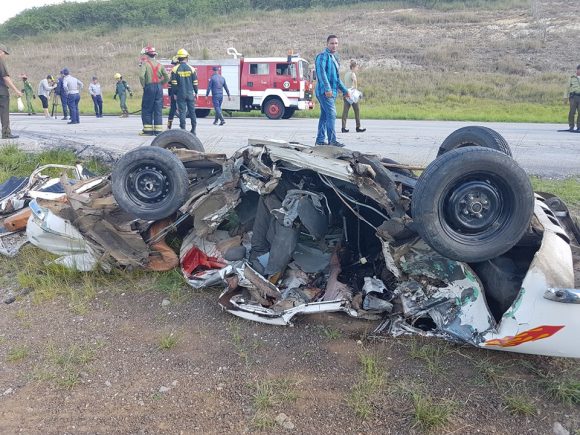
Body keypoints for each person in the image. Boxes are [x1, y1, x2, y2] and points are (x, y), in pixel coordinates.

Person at [314, 35, 350, 147]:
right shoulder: (322, 56)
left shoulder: (334, 58)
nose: (334, 45)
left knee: (324, 115)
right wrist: (327, 88)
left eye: (336, 43)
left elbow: (336, 78)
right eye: (332, 43)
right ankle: (332, 141)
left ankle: (320, 141)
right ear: (327, 44)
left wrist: (345, 90)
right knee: (332, 114)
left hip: (332, 92)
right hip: (324, 91)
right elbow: (321, 74)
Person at [139, 46, 169, 136]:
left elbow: (141, 76)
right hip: (159, 88)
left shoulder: (145, 64)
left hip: (149, 87)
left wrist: (144, 85)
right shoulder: (160, 65)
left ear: (147, 55)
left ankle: (148, 131)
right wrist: (161, 83)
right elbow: (167, 77)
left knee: (147, 109)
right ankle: (158, 131)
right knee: (158, 109)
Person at [170, 48, 198, 134]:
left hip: (180, 94)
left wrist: (174, 93)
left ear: (178, 58)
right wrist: (196, 92)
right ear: (186, 57)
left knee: (182, 112)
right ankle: (193, 129)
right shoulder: (192, 69)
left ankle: (183, 129)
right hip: (190, 93)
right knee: (192, 111)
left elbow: (174, 83)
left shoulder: (174, 69)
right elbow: (195, 82)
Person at [0, 43, 22, 139]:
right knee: (4, 113)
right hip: (1, 93)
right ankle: (6, 133)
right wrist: (16, 90)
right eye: (4, 53)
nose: (4, 56)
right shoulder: (0, 61)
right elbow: (5, 77)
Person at [341, 60, 365, 133]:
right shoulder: (352, 74)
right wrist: (357, 91)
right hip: (352, 95)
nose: (357, 68)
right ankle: (358, 127)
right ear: (353, 67)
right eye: (356, 67)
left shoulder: (346, 74)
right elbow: (354, 82)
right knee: (356, 110)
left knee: (345, 111)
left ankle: (343, 127)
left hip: (346, 93)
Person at [564, 64, 580, 132]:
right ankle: (571, 126)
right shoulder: (572, 78)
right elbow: (567, 88)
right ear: (577, 70)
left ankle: (579, 127)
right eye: (578, 69)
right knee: (572, 112)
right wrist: (565, 97)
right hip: (573, 97)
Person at [166, 57, 179, 129]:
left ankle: (169, 125)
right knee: (175, 108)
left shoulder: (173, 71)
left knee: (173, 108)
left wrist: (171, 94)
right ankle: (169, 124)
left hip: (174, 92)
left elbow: (170, 83)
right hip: (178, 92)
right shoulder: (174, 71)